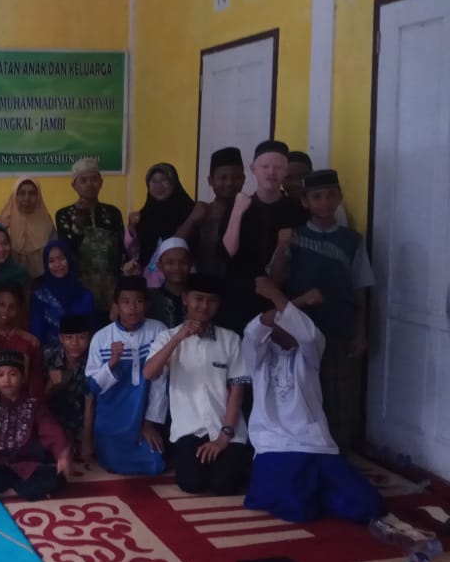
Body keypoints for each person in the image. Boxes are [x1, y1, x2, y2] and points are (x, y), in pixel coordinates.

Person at [243, 278, 384, 522]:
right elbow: (253, 331)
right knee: (295, 508)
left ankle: (319, 492)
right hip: (273, 444)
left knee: (368, 504)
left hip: (314, 443)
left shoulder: (310, 352)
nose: (285, 327)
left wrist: (275, 294)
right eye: (279, 321)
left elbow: (307, 336)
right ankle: (316, 493)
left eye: (290, 321)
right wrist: (289, 301)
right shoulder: (257, 356)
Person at [269, 169, 374, 451]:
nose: (324, 202)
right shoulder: (293, 237)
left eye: (330, 195)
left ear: (339, 198)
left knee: (340, 395)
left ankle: (339, 454)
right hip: (301, 331)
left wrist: (361, 333)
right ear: (305, 202)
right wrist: (281, 248)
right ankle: (306, 452)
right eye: (316, 197)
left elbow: (360, 289)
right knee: (303, 393)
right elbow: (275, 280)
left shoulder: (353, 241)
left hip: (340, 328)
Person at [144, 274, 253, 495]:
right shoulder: (167, 337)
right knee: (191, 483)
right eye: (198, 299)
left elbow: (237, 390)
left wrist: (224, 436)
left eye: (211, 300)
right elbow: (149, 373)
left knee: (224, 484)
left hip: (226, 428)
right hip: (189, 429)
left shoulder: (230, 339)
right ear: (185, 298)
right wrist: (178, 338)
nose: (204, 306)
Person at [221, 140, 308, 331]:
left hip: (283, 296)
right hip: (240, 295)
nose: (271, 172)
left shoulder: (297, 210)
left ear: (286, 170)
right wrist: (237, 212)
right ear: (253, 169)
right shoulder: (239, 205)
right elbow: (228, 250)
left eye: (278, 167)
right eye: (265, 166)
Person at [0, 351, 71, 502]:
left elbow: (51, 430)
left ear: (23, 377)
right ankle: (23, 490)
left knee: (58, 479)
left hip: (25, 464)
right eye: (0, 375)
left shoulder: (34, 403)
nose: (6, 380)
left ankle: (2, 493)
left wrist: (62, 455)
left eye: (13, 374)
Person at [86, 276, 168, 476]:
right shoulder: (101, 338)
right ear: (116, 306)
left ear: (147, 305)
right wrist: (112, 363)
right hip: (112, 419)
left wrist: (149, 423)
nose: (133, 308)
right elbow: (93, 386)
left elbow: (161, 382)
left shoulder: (158, 331)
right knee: (113, 462)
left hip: (143, 416)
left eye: (139, 301)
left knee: (156, 463)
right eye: (125, 302)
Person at [55, 157, 125, 318]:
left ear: (101, 182)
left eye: (93, 179)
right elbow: (66, 251)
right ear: (74, 185)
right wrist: (77, 226)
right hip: (80, 288)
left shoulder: (113, 213)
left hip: (111, 288)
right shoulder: (64, 215)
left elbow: (121, 251)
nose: (89, 184)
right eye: (83, 180)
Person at [179, 147, 245, 281]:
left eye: (236, 177)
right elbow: (173, 250)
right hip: (204, 287)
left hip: (241, 287)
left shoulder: (251, 211)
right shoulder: (201, 213)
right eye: (223, 177)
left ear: (244, 179)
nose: (230, 183)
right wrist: (191, 220)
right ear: (210, 180)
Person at [125, 163, 195, 287]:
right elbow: (134, 252)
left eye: (163, 180)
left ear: (174, 182)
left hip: (182, 282)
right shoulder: (143, 216)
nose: (158, 185)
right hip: (149, 283)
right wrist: (131, 228)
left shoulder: (191, 213)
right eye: (153, 181)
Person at [0, 282, 45, 396]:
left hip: (22, 400)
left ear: (19, 309)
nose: (5, 311)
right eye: (1, 304)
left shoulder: (30, 341)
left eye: (12, 307)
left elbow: (35, 378)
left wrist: (32, 403)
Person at [44, 314, 93, 466]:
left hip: (83, 422)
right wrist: (51, 386)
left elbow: (90, 402)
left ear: (89, 338)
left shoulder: (94, 360)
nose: (75, 343)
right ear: (60, 338)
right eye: (69, 337)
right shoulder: (48, 357)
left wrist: (87, 440)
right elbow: (37, 402)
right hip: (55, 421)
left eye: (81, 337)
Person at [31, 240, 95, 351]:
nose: (57, 264)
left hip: (84, 355)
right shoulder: (40, 297)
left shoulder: (85, 295)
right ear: (46, 265)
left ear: (69, 260)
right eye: (51, 261)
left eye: (61, 258)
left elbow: (92, 330)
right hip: (50, 356)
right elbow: (36, 336)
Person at [0, 178, 55, 280]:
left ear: (39, 196)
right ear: (14, 196)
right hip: (10, 278)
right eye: (21, 193)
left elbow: (54, 253)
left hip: (43, 277)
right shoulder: (4, 222)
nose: (27, 198)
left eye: (32, 193)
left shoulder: (46, 222)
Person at [283, 151, 349, 227]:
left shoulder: (333, 209)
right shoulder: (277, 207)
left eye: (302, 176)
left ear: (311, 173)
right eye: (288, 178)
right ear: (280, 178)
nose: (296, 183)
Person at [147, 237, 191, 328]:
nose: (177, 267)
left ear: (190, 264)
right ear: (159, 265)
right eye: (170, 262)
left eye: (183, 262)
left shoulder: (198, 298)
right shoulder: (149, 297)